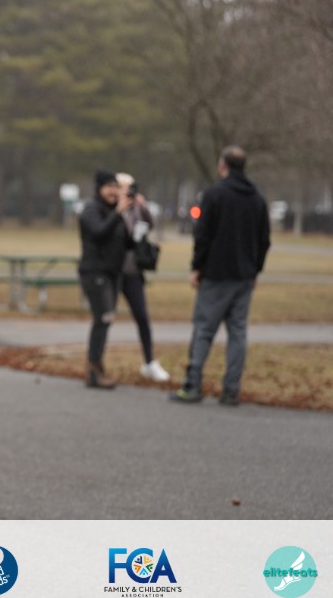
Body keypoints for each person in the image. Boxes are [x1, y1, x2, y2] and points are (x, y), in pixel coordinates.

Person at [169, 146, 270, 406]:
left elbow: (202, 234)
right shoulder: (257, 198)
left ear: (223, 165)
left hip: (216, 273)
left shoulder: (215, 194)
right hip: (244, 275)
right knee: (238, 332)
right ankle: (231, 390)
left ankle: (193, 384)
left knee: (204, 329)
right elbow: (264, 240)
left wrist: (197, 266)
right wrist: (255, 269)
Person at [78, 169, 132, 389]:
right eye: (109, 187)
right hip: (95, 273)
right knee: (102, 319)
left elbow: (127, 241)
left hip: (112, 274)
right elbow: (98, 232)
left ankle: (97, 366)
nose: (113, 192)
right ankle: (93, 369)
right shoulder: (91, 209)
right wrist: (118, 213)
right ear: (99, 188)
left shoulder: (115, 211)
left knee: (106, 320)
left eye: (115, 187)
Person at [116, 173, 170, 382]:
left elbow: (150, 224)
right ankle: (96, 363)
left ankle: (149, 362)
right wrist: (119, 210)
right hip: (113, 271)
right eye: (123, 188)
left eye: (131, 188)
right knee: (104, 318)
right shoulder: (111, 209)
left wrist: (143, 206)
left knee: (142, 317)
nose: (128, 192)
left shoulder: (137, 209)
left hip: (133, 272)